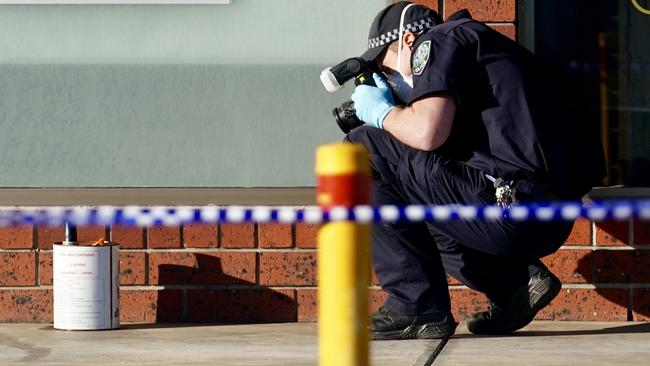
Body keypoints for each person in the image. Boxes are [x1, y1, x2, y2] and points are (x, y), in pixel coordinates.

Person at [344, 1, 603, 340]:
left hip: (510, 208)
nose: (391, 80)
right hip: (544, 214)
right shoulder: (479, 46)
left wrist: (381, 113)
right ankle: (516, 286)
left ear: (407, 41)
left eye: (387, 69)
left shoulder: (435, 41)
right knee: (411, 190)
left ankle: (416, 307)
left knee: (360, 148)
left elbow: (426, 133)